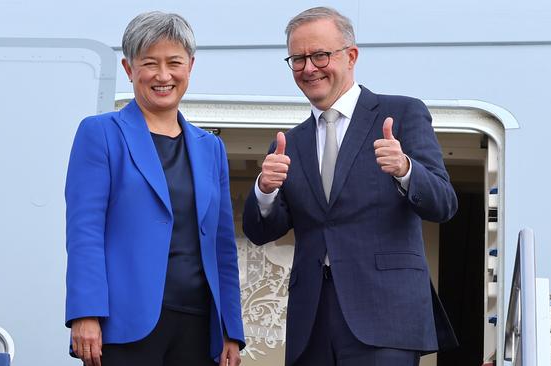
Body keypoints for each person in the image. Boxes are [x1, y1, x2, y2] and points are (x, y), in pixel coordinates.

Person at [242, 6, 458, 366]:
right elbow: (260, 230)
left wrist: (405, 169)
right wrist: (264, 190)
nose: (309, 67)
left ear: (351, 56)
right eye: (298, 59)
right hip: (311, 320)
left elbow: (444, 203)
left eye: (320, 55)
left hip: (385, 315)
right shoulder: (289, 143)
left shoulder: (401, 113)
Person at [64, 11, 244, 366]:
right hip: (123, 323)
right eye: (150, 63)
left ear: (190, 66)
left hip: (198, 324)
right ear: (130, 69)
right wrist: (86, 312)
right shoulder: (100, 134)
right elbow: (84, 231)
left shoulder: (211, 149)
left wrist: (230, 330)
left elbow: (223, 246)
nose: (163, 75)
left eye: (174, 62)